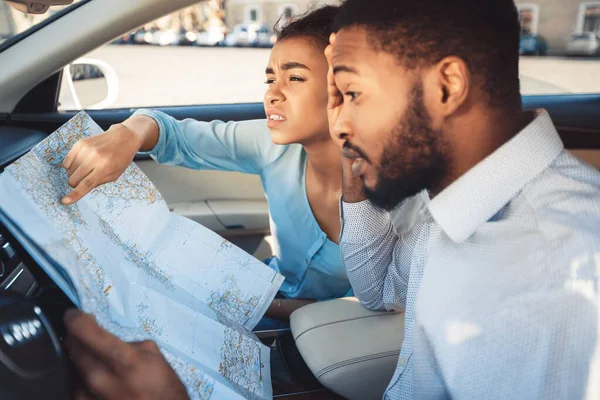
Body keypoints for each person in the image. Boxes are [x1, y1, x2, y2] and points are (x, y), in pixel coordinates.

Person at [328, 0, 600, 399]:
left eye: (353, 93)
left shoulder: (558, 276)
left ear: (447, 86)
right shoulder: (458, 202)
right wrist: (355, 155)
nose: (339, 126)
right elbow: (377, 290)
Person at [61, 6, 352, 327]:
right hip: (263, 304)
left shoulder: (395, 193)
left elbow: (379, 308)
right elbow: (172, 135)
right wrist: (127, 133)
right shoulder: (270, 146)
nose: (272, 93)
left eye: (294, 77)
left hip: (332, 336)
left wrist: (263, 306)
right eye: (270, 78)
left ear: (345, 87)